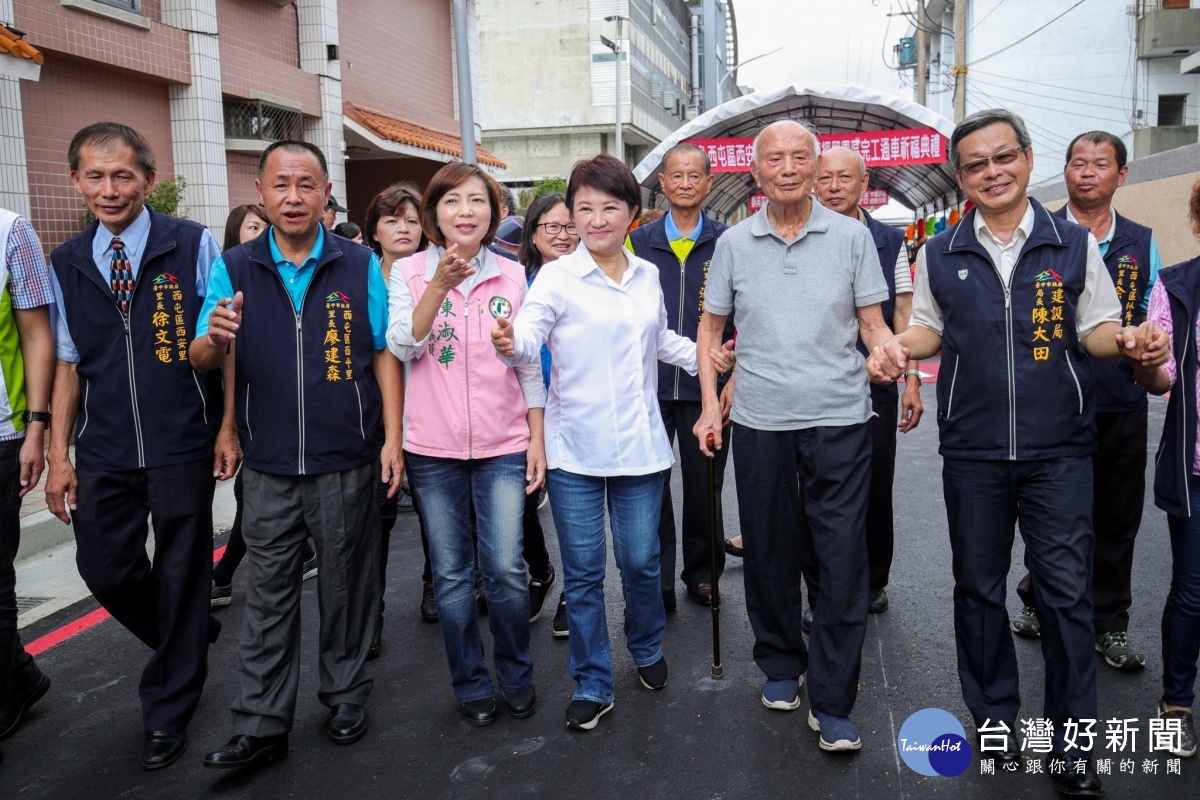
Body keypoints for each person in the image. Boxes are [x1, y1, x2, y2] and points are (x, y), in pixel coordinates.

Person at [867, 108, 1167, 795]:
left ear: (1029, 160)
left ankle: (1074, 747)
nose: (992, 172)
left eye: (1004, 158)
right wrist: (892, 346)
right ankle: (996, 720)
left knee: (1066, 597)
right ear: (962, 177)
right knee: (977, 589)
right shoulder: (941, 251)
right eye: (976, 164)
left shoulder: (1070, 243)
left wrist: (1124, 341)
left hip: (1059, 447)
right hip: (972, 449)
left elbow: (1094, 329)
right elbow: (927, 332)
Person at [493, 154, 732, 732]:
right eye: (584, 209)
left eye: (609, 208)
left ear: (630, 213)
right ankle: (594, 680)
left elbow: (661, 340)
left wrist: (709, 357)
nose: (596, 219)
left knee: (642, 561)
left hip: (642, 450)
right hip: (575, 448)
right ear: (571, 215)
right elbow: (529, 335)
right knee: (583, 573)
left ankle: (647, 646)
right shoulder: (556, 277)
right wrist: (509, 339)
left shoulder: (645, 273)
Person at [193, 139, 403, 768]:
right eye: (280, 184)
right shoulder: (234, 265)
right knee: (267, 594)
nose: (293, 196)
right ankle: (260, 723)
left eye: (306, 184)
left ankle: (343, 693)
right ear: (259, 191)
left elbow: (383, 351)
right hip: (268, 461)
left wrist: (392, 438)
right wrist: (213, 339)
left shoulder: (356, 261)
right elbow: (206, 355)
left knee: (347, 585)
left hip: (347, 455)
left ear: (325, 194)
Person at [693, 120, 892, 754]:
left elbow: (872, 322)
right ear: (755, 173)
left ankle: (833, 700)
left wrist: (891, 356)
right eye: (773, 158)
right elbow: (708, 330)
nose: (788, 167)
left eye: (799, 157)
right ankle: (781, 663)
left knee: (840, 557)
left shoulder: (852, 236)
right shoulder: (733, 246)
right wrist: (707, 406)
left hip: (840, 418)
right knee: (771, 550)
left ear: (815, 166)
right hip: (758, 420)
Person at [44, 122, 231, 770]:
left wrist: (224, 415)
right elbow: (68, 362)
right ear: (76, 181)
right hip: (104, 448)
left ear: (148, 179)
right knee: (105, 567)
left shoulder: (191, 244)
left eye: (122, 175)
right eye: (94, 176)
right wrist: (59, 455)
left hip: (181, 437)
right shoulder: (65, 263)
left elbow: (217, 345)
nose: (109, 188)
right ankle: (187, 639)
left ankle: (169, 708)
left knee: (183, 573)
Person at [386, 162, 545, 727]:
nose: (465, 212)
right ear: (433, 215)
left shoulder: (512, 275)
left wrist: (536, 438)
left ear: (493, 213)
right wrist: (439, 285)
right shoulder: (406, 273)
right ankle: (470, 682)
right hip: (433, 448)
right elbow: (404, 346)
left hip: (504, 442)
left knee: (504, 567)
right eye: (452, 202)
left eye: (477, 201)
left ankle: (517, 674)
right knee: (452, 574)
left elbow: (528, 363)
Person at [1009, 132, 1162, 675]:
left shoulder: (1143, 242)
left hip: (1120, 401)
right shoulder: (1040, 233)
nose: (1087, 173)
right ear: (1064, 170)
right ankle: (1035, 599)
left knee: (1116, 518)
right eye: (1078, 163)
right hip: (1053, 403)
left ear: (1122, 175)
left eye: (1101, 165)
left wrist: (1148, 347)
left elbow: (1154, 313)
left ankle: (1110, 622)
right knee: (1051, 514)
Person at [812, 146, 923, 618]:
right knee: (814, 485)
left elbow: (902, 312)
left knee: (876, 482)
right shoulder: (802, 233)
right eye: (826, 178)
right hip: (814, 381)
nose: (834, 186)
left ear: (864, 184)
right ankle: (820, 582)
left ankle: (875, 577)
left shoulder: (887, 239)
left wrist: (911, 377)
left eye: (845, 178)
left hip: (876, 381)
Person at [629, 142, 734, 610]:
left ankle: (703, 572)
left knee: (703, 483)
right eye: (677, 176)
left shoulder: (730, 240)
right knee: (650, 484)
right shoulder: (637, 242)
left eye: (695, 176)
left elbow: (747, 313)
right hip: (648, 386)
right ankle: (658, 580)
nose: (686, 183)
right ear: (663, 183)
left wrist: (733, 376)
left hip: (705, 384)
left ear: (709, 183)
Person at [210, 205, 318, 610]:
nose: (262, 234)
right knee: (252, 502)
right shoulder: (229, 278)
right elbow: (212, 358)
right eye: (253, 228)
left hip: (291, 429)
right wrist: (229, 425)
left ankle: (223, 575)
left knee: (251, 503)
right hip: (245, 419)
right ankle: (226, 575)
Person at [1132, 178, 1200, 760]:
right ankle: (1178, 702)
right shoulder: (1177, 287)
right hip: (1196, 469)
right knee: (1194, 591)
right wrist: (1149, 365)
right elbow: (1162, 381)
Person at [361, 182, 428, 652]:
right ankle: (373, 613)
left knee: (434, 511)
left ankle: (434, 586)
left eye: (411, 219)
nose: (402, 227)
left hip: (429, 410)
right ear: (374, 230)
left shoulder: (434, 273)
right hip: (371, 415)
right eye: (391, 219)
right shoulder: (360, 274)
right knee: (377, 518)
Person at [0, 208, 55, 766]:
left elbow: (39, 333)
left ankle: (9, 690)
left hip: (1, 431)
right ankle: (18, 672)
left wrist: (38, 426)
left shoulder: (9, 231)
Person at [516, 191, 580, 635]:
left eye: (569, 226)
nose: (562, 234)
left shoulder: (592, 276)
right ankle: (540, 570)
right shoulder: (514, 280)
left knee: (570, 509)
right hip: (518, 404)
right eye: (551, 227)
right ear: (533, 233)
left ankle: (573, 596)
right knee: (520, 499)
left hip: (572, 406)